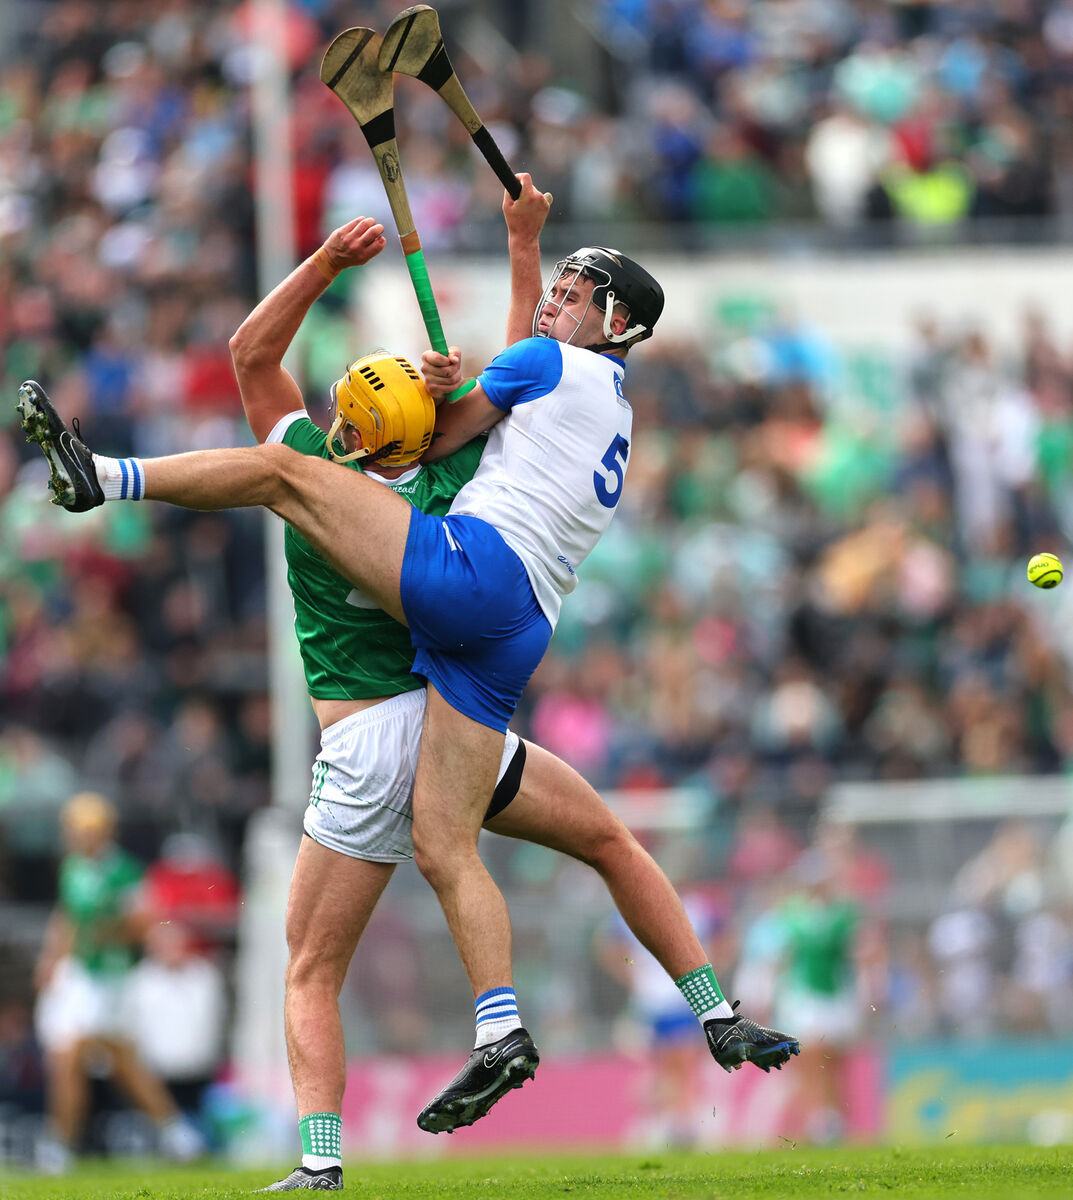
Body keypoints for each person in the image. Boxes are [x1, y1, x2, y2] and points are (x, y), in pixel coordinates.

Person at [18, 177, 797, 1183]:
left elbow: (256, 360)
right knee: (567, 839)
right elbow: (494, 396)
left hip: (393, 701)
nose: (560, 292)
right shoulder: (492, 454)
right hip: (493, 651)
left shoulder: (323, 460)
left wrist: (340, 276)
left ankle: (103, 477)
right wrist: (514, 265)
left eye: (577, 286)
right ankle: (684, 1014)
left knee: (310, 967)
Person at [33, 792, 204, 1172]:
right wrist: (51, 957)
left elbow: (146, 920)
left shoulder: (122, 871)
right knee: (86, 1056)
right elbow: (67, 918)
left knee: (93, 1054)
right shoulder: (73, 868)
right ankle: (171, 1132)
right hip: (81, 976)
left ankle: (60, 1143)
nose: (79, 836)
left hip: (111, 976)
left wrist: (113, 934)